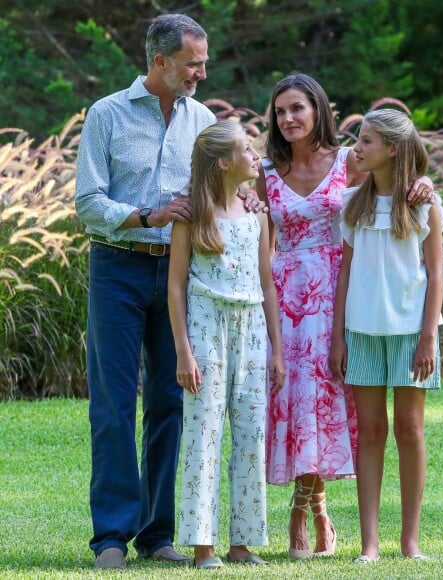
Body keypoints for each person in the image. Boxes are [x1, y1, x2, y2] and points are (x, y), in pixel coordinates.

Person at [75, 14, 261, 570]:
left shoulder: (203, 119)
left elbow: (220, 184)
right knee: (112, 405)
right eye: (192, 64)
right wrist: (147, 215)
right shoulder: (106, 115)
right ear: (160, 62)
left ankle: (157, 535)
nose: (202, 73)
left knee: (171, 403)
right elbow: (88, 201)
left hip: (187, 280)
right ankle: (111, 535)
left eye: (203, 62)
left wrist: (244, 200)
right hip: (118, 268)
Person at [256, 72, 435, 559]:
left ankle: (318, 509)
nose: (288, 118)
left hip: (344, 292)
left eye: (298, 108)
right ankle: (305, 505)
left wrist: (421, 180)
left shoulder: (349, 162)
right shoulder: (265, 170)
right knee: (294, 399)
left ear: (317, 110)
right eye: (280, 111)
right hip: (287, 297)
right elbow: (254, 227)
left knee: (331, 404)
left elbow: (389, 185)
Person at [167, 120, 286, 569]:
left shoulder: (257, 214)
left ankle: (243, 543)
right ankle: (203, 548)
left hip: (252, 326)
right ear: (223, 162)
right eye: (248, 150)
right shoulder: (192, 216)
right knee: (204, 433)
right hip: (205, 328)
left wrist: (276, 348)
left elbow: (267, 283)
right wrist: (183, 350)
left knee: (252, 434)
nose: (257, 156)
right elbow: (175, 287)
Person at [330, 108, 443, 563]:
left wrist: (428, 339)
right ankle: (370, 544)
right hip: (362, 332)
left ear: (392, 150)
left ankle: (410, 542)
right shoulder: (351, 205)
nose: (357, 148)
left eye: (367, 141)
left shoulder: (424, 204)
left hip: (410, 334)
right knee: (371, 431)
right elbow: (344, 274)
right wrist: (339, 337)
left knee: (410, 430)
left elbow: (435, 276)